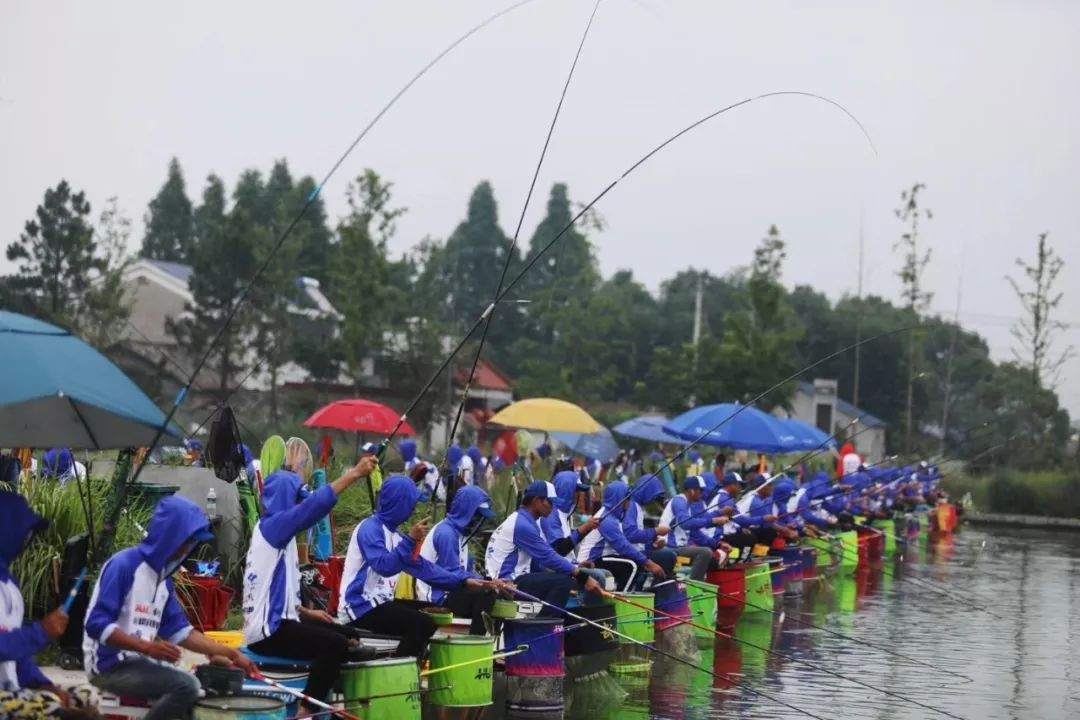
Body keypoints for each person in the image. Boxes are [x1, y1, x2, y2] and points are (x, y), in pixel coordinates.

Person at [85, 496, 256, 720]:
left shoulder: (163, 579)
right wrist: (146, 648)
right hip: (108, 667)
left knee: (204, 689)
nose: (188, 547)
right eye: (186, 540)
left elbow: (181, 632)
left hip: (140, 663)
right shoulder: (123, 566)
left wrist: (231, 653)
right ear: (169, 536)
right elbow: (96, 625)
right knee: (186, 687)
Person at [242, 457, 379, 713]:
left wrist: (306, 612)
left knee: (347, 634)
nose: (300, 505)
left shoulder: (275, 531)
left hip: (280, 622)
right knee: (336, 645)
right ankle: (307, 710)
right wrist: (355, 473)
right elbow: (316, 505)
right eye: (296, 500)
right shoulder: (276, 526)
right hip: (269, 632)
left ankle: (327, 695)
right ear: (287, 501)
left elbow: (275, 592)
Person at [339, 476, 490, 658]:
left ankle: (412, 663)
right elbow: (384, 566)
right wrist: (410, 540)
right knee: (422, 623)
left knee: (432, 615)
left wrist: (464, 581)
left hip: (380, 603)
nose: (413, 509)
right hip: (359, 606)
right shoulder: (370, 529)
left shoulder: (396, 536)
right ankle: (398, 670)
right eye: (412, 503)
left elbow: (425, 569)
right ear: (400, 503)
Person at [1, 493, 97, 719]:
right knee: (55, 711)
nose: (27, 540)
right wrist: (40, 632)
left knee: (86, 698)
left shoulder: (10, 587)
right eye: (22, 531)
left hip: (12, 692)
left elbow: (17, 655)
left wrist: (42, 683)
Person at [485, 481, 604, 616]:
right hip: (506, 583)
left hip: (519, 578)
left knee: (565, 578)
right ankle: (544, 627)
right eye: (550, 502)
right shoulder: (522, 525)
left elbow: (541, 561)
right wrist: (583, 577)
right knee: (563, 582)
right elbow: (549, 557)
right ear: (537, 501)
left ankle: (558, 622)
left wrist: (574, 567)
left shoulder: (528, 521)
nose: (553, 507)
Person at [416, 486, 508, 634]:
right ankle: (476, 641)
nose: (478, 521)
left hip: (453, 591)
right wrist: (487, 585)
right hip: (438, 596)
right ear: (466, 511)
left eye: (481, 517)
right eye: (476, 515)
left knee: (503, 593)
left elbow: (466, 574)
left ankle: (493, 639)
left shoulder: (460, 535)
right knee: (486, 595)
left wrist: (491, 582)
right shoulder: (447, 534)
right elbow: (451, 574)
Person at [577, 482, 667, 591]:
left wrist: (651, 547)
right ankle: (622, 599)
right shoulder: (605, 519)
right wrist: (649, 563)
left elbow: (624, 543)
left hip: (605, 557)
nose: (629, 502)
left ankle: (632, 593)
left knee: (635, 562)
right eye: (627, 499)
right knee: (632, 565)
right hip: (591, 560)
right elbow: (623, 546)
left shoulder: (615, 518)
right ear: (619, 500)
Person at [659, 476, 726, 580]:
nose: (703, 493)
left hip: (681, 547)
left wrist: (718, 545)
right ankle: (694, 585)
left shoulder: (687, 506)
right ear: (691, 491)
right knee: (705, 553)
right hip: (670, 547)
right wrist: (712, 521)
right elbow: (685, 524)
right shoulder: (679, 502)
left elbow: (695, 534)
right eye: (701, 490)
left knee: (712, 558)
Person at [620, 474, 677, 577]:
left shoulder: (636, 506)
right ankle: (659, 589)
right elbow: (629, 535)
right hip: (627, 555)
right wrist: (656, 531)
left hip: (635, 551)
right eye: (653, 496)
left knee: (667, 554)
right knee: (669, 557)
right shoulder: (632, 505)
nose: (652, 500)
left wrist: (652, 545)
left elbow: (636, 541)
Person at [541, 471, 599, 560]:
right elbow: (561, 549)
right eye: (576, 490)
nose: (579, 494)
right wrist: (584, 529)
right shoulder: (551, 515)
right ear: (567, 489)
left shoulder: (565, 514)